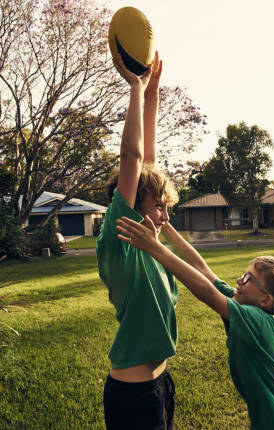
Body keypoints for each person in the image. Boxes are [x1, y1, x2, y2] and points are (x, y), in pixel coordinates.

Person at [115, 216, 274, 430]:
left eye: (248, 278)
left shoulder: (258, 320)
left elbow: (206, 292)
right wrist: (165, 226)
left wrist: (155, 247)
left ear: (266, 299)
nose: (239, 281)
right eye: (244, 274)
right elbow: (202, 268)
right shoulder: (245, 305)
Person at [97, 51, 179, 430]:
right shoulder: (120, 241)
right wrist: (133, 87)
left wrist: (152, 93)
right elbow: (132, 157)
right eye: (159, 206)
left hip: (160, 383)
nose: (164, 215)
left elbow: (148, 160)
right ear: (131, 206)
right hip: (133, 396)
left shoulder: (149, 246)